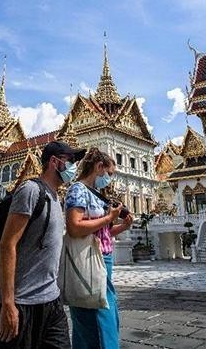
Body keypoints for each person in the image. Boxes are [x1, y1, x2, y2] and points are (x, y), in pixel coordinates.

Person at [0, 141, 85, 349]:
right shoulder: (30, 190)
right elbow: (7, 244)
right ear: (54, 162)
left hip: (51, 299)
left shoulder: (56, 198)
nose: (74, 168)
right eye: (71, 162)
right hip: (20, 302)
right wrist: (8, 303)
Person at [64, 148, 134, 349]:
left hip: (103, 257)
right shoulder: (77, 190)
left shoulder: (97, 194)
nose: (110, 179)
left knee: (108, 314)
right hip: (88, 259)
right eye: (110, 173)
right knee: (95, 316)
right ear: (99, 167)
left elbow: (102, 233)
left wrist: (123, 226)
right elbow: (75, 227)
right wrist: (109, 218)